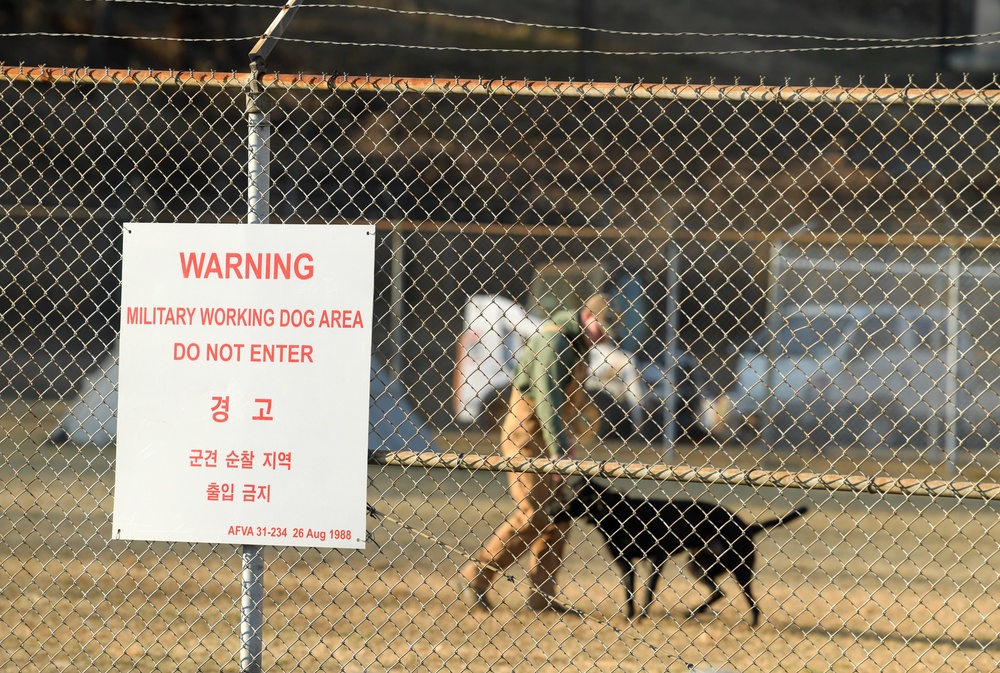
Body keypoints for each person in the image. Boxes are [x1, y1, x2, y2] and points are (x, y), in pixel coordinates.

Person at [458, 293, 616, 613]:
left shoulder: (578, 347)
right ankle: (477, 574)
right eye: (604, 327)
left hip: (553, 439)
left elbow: (567, 401)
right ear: (587, 316)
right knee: (534, 513)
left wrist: (566, 442)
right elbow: (546, 399)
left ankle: (542, 596)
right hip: (526, 438)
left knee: (559, 518)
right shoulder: (554, 342)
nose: (605, 337)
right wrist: (558, 452)